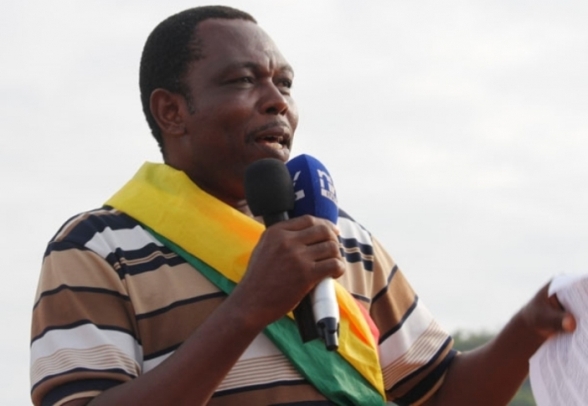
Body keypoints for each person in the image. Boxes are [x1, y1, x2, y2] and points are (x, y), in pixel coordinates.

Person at [30, 6, 576, 406]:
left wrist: (530, 329)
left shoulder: (341, 235)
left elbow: (440, 394)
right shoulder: (97, 248)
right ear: (172, 111)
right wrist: (248, 308)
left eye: (285, 84)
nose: (276, 101)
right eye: (243, 81)